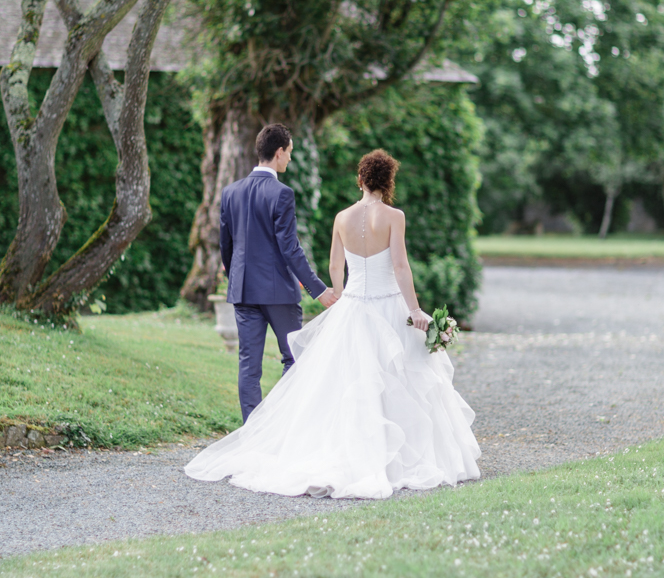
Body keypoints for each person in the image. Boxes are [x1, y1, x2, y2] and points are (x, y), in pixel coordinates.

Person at [185, 148, 481, 499]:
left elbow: (335, 266)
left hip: (352, 307)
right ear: (388, 182)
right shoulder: (394, 216)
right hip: (388, 306)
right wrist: (415, 310)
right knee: (399, 379)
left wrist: (340, 296)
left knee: (346, 383)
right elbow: (400, 267)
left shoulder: (341, 218)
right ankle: (396, 455)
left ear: (360, 179)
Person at [218, 122, 337, 422]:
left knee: (249, 366)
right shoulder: (281, 194)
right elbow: (290, 249)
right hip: (277, 293)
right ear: (279, 152)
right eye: (290, 153)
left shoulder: (230, 192)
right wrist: (319, 289)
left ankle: (253, 433)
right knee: (295, 357)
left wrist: (235, 278)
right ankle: (281, 427)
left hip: (243, 291)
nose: (291, 159)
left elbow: (226, 247)